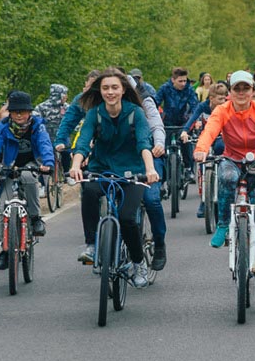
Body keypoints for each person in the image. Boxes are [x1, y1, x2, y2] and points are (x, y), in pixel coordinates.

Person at [193, 70, 255, 301]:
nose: (241, 93)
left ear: (253, 91)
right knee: (227, 177)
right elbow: (210, 131)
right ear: (230, 91)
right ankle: (222, 225)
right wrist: (201, 149)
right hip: (232, 159)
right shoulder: (222, 111)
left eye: (245, 88)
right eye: (236, 89)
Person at [70, 69, 160, 285]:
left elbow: (143, 143)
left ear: (123, 90)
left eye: (114, 88)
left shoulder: (135, 112)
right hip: (101, 169)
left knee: (128, 218)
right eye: (105, 88)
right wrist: (75, 165)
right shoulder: (95, 113)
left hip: (132, 172)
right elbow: (83, 141)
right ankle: (92, 245)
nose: (110, 92)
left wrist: (149, 169)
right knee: (89, 192)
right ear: (99, 91)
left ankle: (139, 264)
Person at [0, 91, 54, 269]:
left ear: (29, 112)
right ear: (10, 112)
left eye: (23, 111)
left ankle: (34, 218)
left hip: (31, 163)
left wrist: (47, 163)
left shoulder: (37, 126)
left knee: (27, 178)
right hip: (9, 166)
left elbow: (44, 144)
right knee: (4, 207)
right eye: (15, 111)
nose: (19, 115)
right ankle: (5, 250)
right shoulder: (3, 127)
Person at [131, 74, 170, 270]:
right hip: (125, 158)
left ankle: (159, 243)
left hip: (151, 154)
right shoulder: (108, 107)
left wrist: (160, 145)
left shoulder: (146, 102)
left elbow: (156, 126)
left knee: (151, 199)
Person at [181, 80, 228, 218]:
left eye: (224, 98)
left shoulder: (227, 108)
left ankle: (221, 193)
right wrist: (185, 131)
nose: (223, 100)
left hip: (221, 138)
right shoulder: (203, 106)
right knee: (202, 166)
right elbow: (193, 119)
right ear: (211, 98)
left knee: (221, 151)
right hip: (206, 138)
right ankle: (204, 199)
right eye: (220, 98)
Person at [155, 66, 199, 182]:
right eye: (180, 81)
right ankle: (162, 177)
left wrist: (195, 120)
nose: (183, 83)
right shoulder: (165, 88)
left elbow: (195, 106)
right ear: (173, 80)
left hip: (183, 121)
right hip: (167, 121)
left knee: (185, 141)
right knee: (162, 149)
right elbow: (155, 103)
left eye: (185, 80)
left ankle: (189, 168)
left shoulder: (189, 90)